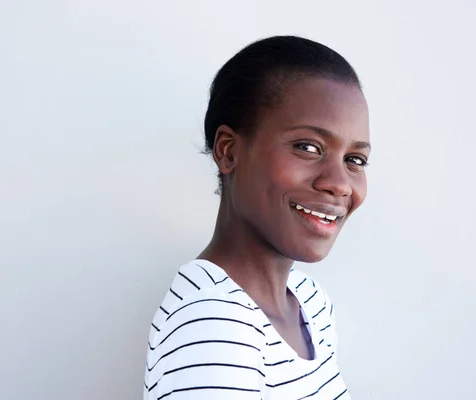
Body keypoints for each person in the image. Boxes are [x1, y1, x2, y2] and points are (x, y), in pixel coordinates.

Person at [143, 35, 370, 400]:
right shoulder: (213, 324)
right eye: (308, 147)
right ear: (229, 152)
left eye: (355, 160)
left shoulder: (310, 303)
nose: (340, 184)